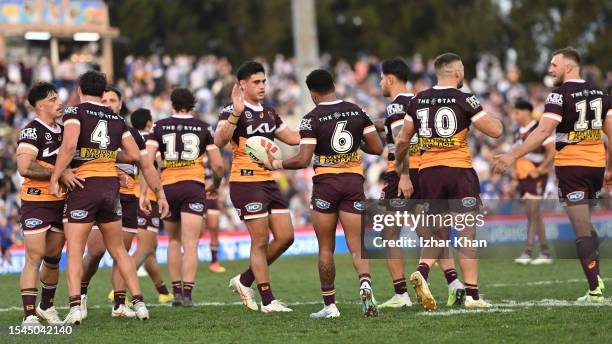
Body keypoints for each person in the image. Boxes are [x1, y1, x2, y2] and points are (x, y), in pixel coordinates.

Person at [260, 69, 383, 318]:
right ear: (333, 86)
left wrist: (275, 164)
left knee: (325, 247)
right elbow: (377, 147)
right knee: (357, 245)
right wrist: (354, 142)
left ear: (313, 93)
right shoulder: (358, 111)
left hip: (326, 184)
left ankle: (330, 305)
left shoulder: (311, 118)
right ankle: (365, 284)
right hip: (353, 182)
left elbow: (303, 159)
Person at [49, 71, 169, 324]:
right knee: (119, 250)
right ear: (104, 93)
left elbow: (69, 146)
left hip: (84, 185)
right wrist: (157, 191)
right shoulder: (117, 119)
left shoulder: (74, 112)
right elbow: (138, 157)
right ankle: (139, 303)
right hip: (111, 189)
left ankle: (75, 307)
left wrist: (56, 176)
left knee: (75, 251)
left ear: (80, 89)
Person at [494, 47, 611, 302]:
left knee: (580, 233)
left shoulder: (559, 95)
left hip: (572, 167)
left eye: (553, 64)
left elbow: (542, 131)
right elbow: (611, 134)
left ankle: (594, 291)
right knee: (586, 226)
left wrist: (513, 154)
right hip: (595, 166)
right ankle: (596, 274)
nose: (550, 69)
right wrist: (609, 168)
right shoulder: (602, 94)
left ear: (568, 66)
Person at [395, 53, 503, 310]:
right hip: (459, 171)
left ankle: (422, 270)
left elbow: (402, 140)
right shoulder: (466, 99)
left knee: (438, 233)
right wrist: (494, 117)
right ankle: (473, 296)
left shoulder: (418, 99)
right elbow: (495, 131)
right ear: (456, 72)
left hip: (429, 172)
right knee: (466, 233)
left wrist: (403, 172)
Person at [377, 58, 466, 309]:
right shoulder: (420, 100)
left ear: (391, 79)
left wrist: (403, 175)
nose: (380, 82)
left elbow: (400, 141)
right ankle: (454, 284)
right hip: (426, 171)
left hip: (403, 173)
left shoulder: (396, 106)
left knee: (388, 233)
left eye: (382, 78)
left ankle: (401, 295)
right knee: (430, 233)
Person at [214, 61, 300, 313]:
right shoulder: (231, 110)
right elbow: (219, 140)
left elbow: (294, 137)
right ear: (242, 85)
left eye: (264, 81)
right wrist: (236, 113)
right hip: (245, 181)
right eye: (256, 82)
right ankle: (267, 300)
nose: (262, 86)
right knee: (260, 240)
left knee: (286, 237)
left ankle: (244, 280)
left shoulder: (271, 113)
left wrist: (318, 129)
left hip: (268, 181)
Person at [146, 87, 224, 307]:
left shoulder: (159, 126)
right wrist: (215, 184)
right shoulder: (203, 127)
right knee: (191, 243)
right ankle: (188, 294)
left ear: (172, 104)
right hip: (193, 186)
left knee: (172, 240)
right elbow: (218, 165)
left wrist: (154, 186)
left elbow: (148, 159)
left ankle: (176, 291)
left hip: (168, 187)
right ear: (193, 105)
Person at [15, 82, 81, 324]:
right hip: (36, 200)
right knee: (34, 256)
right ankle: (29, 315)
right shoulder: (32, 131)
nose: (59, 103)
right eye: (53, 99)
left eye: (58, 98)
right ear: (40, 105)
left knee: (53, 258)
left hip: (62, 200)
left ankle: (46, 306)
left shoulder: (65, 130)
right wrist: (59, 173)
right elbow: (25, 167)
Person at [509, 100, 555, 265]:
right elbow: (516, 152)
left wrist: (541, 169)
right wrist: (515, 171)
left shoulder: (539, 128)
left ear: (527, 112)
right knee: (535, 215)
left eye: (517, 112)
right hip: (523, 177)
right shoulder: (516, 131)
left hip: (536, 176)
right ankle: (545, 252)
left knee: (532, 212)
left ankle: (528, 251)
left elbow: (552, 151)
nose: (515, 116)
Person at [203, 155, 226, 273]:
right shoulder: (194, 155)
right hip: (198, 197)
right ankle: (186, 258)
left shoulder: (214, 157)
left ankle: (214, 262)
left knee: (213, 230)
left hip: (212, 198)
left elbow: (220, 174)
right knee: (196, 233)